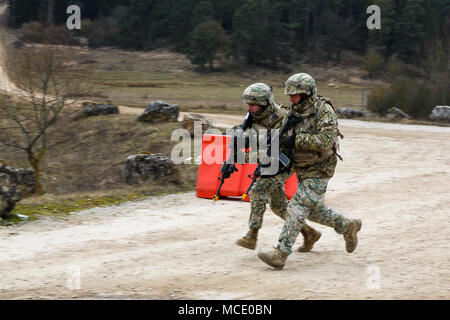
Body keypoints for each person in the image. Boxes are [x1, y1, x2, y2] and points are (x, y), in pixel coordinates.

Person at [257, 73, 362, 270]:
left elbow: (323, 141)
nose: (290, 99)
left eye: (295, 95)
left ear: (307, 94)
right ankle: (348, 226)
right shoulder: (292, 112)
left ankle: (280, 253)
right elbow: (276, 131)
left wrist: (295, 139)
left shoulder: (324, 111)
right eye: (289, 95)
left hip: (321, 169)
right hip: (301, 167)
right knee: (314, 211)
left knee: (297, 206)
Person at [235, 83, 321, 252]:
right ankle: (309, 233)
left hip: (285, 162)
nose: (250, 108)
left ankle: (252, 234)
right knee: (278, 206)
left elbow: (272, 152)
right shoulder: (255, 116)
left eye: (253, 105)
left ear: (265, 103)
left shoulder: (282, 118)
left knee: (257, 190)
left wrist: (243, 157)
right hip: (270, 163)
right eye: (248, 105)